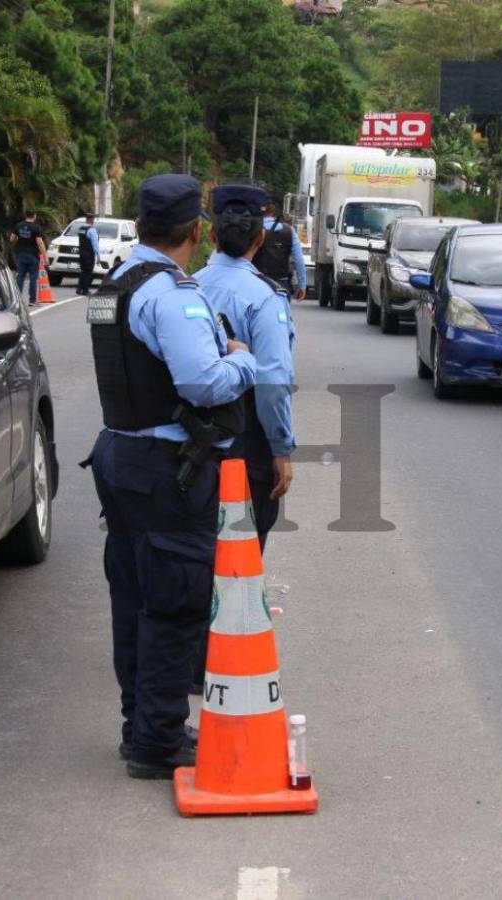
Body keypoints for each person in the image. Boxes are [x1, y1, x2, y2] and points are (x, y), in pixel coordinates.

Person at [84, 174, 257, 780]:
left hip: (119, 454)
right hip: (165, 466)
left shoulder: (116, 284)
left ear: (139, 226)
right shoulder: (171, 294)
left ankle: (141, 724)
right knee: (175, 600)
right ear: (196, 232)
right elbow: (201, 383)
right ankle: (156, 742)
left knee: (133, 597)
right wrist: (242, 361)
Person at [194, 184, 297, 695]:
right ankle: (228, 652)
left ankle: (193, 649)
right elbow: (273, 382)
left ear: (210, 235)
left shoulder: (185, 288)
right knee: (243, 546)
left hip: (189, 438)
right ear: (261, 239)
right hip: (247, 441)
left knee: (198, 543)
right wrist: (281, 449)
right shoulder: (262, 296)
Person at [253, 199, 307, 301]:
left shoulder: (253, 229)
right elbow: (298, 260)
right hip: (281, 283)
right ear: (273, 212)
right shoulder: (289, 231)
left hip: (257, 281)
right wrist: (302, 285)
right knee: (281, 314)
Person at [8, 210, 45, 306]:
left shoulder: (18, 226)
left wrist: (19, 239)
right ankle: (32, 300)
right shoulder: (36, 228)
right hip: (33, 256)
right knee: (33, 278)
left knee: (20, 277)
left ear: (26, 215)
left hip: (21, 255)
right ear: (34, 216)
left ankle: (18, 299)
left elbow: (12, 239)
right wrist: (45, 256)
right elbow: (40, 243)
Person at [78, 213, 100, 295]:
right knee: (88, 272)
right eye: (93, 219)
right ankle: (85, 290)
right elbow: (95, 244)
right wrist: (98, 256)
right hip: (89, 254)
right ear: (91, 220)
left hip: (81, 253)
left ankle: (79, 288)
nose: (94, 221)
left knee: (83, 271)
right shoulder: (92, 230)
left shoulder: (81, 229)